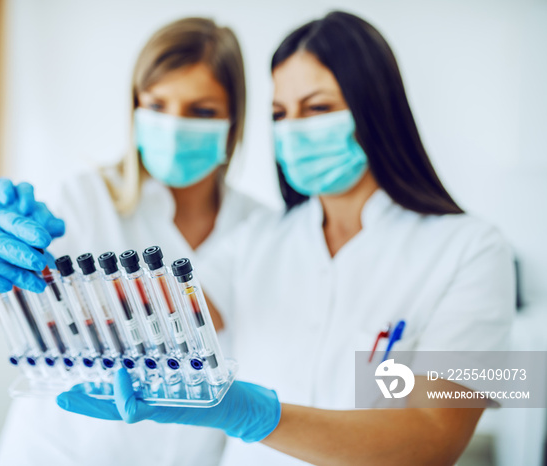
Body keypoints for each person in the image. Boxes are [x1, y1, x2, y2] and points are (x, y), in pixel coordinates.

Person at [56, 11, 515, 466]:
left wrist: (258, 418)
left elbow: (437, 440)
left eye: (317, 108)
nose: (294, 128)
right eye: (279, 113)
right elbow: (161, 305)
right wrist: (34, 273)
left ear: (376, 110)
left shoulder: (474, 250)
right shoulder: (256, 239)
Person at [0, 17, 267, 466]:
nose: (174, 126)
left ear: (234, 120)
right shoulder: (85, 199)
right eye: (157, 104)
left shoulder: (259, 227)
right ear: (135, 108)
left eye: (201, 110)